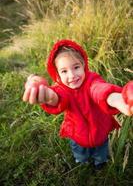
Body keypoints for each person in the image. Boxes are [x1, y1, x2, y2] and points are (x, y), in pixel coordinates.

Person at [23, 39, 133, 170]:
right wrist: (49, 96)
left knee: (101, 152)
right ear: (57, 74)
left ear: (83, 65)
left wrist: (116, 99)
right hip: (77, 134)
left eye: (76, 67)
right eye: (64, 71)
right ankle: (82, 162)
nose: (72, 75)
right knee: (80, 153)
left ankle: (100, 163)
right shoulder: (62, 89)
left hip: (100, 132)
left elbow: (99, 89)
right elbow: (58, 97)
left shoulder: (92, 81)